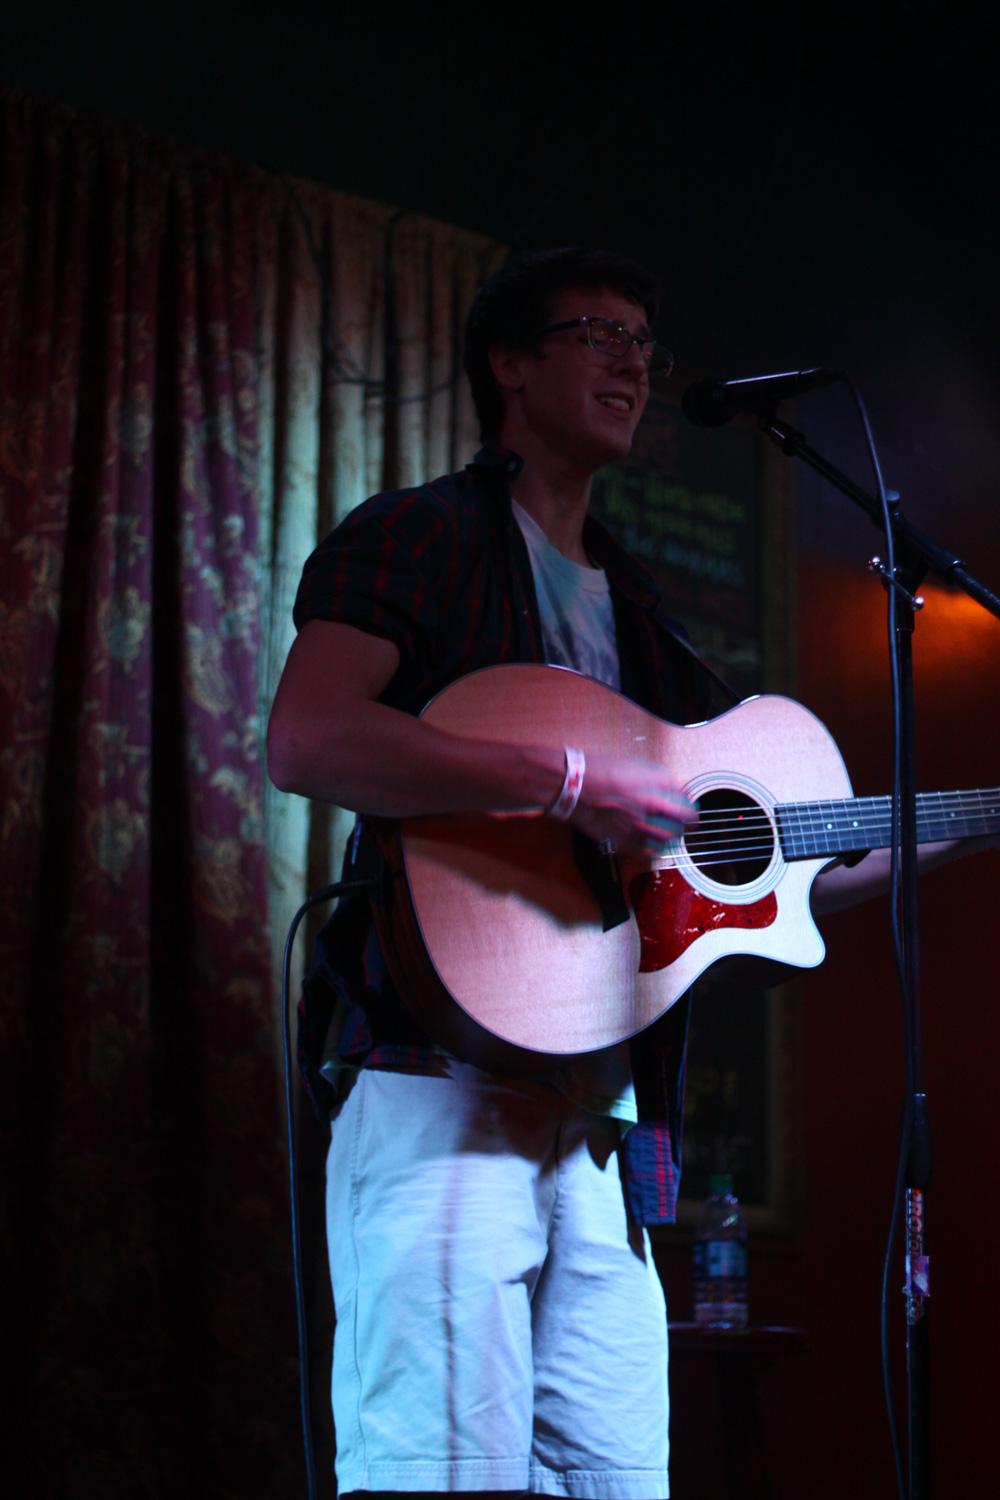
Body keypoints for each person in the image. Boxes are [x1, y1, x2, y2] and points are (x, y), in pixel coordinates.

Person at [267, 247, 990, 1499]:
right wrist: (565, 784)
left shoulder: (640, 613)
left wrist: (956, 824)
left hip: (599, 1134)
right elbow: (309, 737)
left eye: (643, 344)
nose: (631, 362)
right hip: (438, 1096)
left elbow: (769, 880)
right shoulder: (423, 535)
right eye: (596, 331)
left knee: (616, 1479)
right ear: (509, 363)